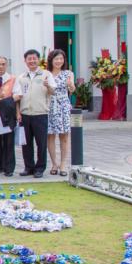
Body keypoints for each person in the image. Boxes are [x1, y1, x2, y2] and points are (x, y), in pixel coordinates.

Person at [14, 49, 56, 179]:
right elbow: (17, 96)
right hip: (25, 114)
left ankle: (40, 168)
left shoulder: (46, 74)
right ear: (25, 61)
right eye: (29, 59)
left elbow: (52, 91)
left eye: (34, 58)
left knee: (41, 143)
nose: (32, 61)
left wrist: (48, 86)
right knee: (26, 143)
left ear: (38, 60)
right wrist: (18, 113)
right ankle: (29, 167)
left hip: (40, 114)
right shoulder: (21, 77)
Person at [46, 49, 75, 177]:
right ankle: (54, 163)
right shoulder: (46, 74)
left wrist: (70, 86)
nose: (59, 61)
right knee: (50, 135)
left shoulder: (68, 73)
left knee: (64, 136)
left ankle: (63, 164)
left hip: (63, 105)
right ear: (51, 60)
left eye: (61, 59)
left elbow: (72, 90)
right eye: (56, 59)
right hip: (50, 106)